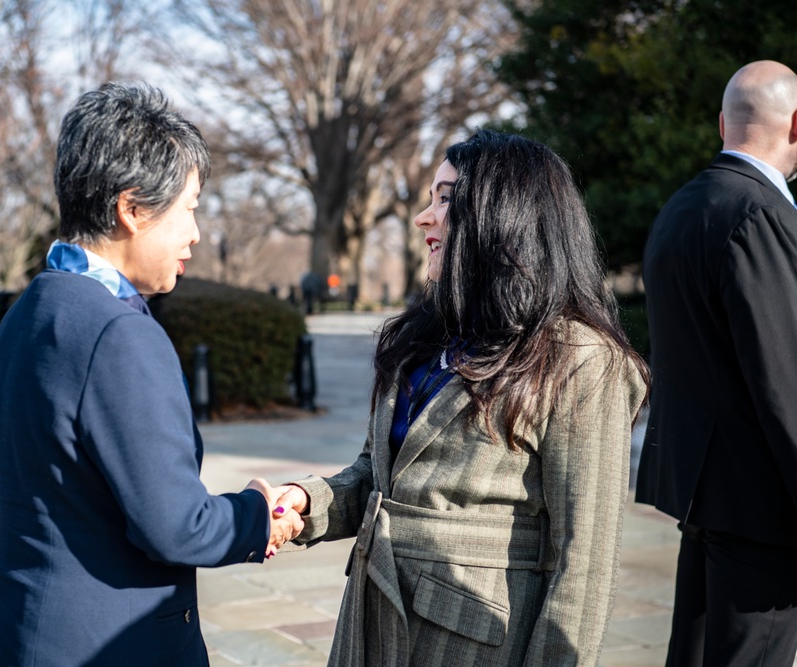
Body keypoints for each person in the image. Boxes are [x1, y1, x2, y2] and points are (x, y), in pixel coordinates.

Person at [272, 129, 650, 666]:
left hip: (471, 642)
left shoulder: (580, 358)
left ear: (504, 215)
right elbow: (379, 477)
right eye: (429, 199)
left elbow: (583, 562)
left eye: (445, 199)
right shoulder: (424, 337)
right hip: (371, 619)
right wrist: (304, 503)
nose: (425, 218)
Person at [0, 83, 303, 667]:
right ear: (132, 209)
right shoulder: (118, 334)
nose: (195, 233)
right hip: (103, 642)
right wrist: (260, 514)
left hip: (16, 628)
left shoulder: (31, 308)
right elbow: (176, 526)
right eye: (189, 209)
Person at [635, 60, 797, 665]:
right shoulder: (759, 213)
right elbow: (784, 378)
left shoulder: (683, 207)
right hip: (762, 510)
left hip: (705, 496)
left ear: (721, 123)